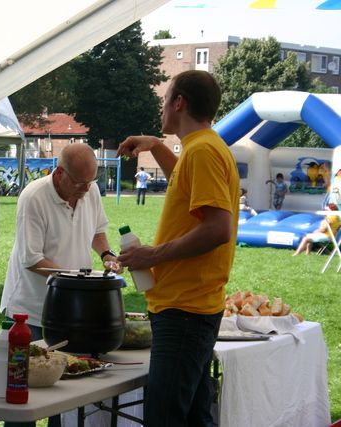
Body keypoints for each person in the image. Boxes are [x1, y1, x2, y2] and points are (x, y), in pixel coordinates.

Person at [116, 70, 239, 427]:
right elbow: (184, 183)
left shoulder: (201, 151)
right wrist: (155, 144)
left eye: (164, 100)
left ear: (179, 102)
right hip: (192, 308)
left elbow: (218, 229)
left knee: (164, 419)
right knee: (196, 418)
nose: (161, 109)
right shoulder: (202, 147)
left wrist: (151, 255)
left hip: (185, 310)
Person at [0, 143, 122, 427]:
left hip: (73, 313)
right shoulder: (33, 197)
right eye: (80, 182)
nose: (87, 189)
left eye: (92, 181)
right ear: (59, 173)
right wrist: (80, 282)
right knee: (23, 396)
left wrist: (106, 254)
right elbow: (32, 260)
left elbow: (98, 229)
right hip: (30, 312)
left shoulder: (89, 189)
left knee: (65, 397)